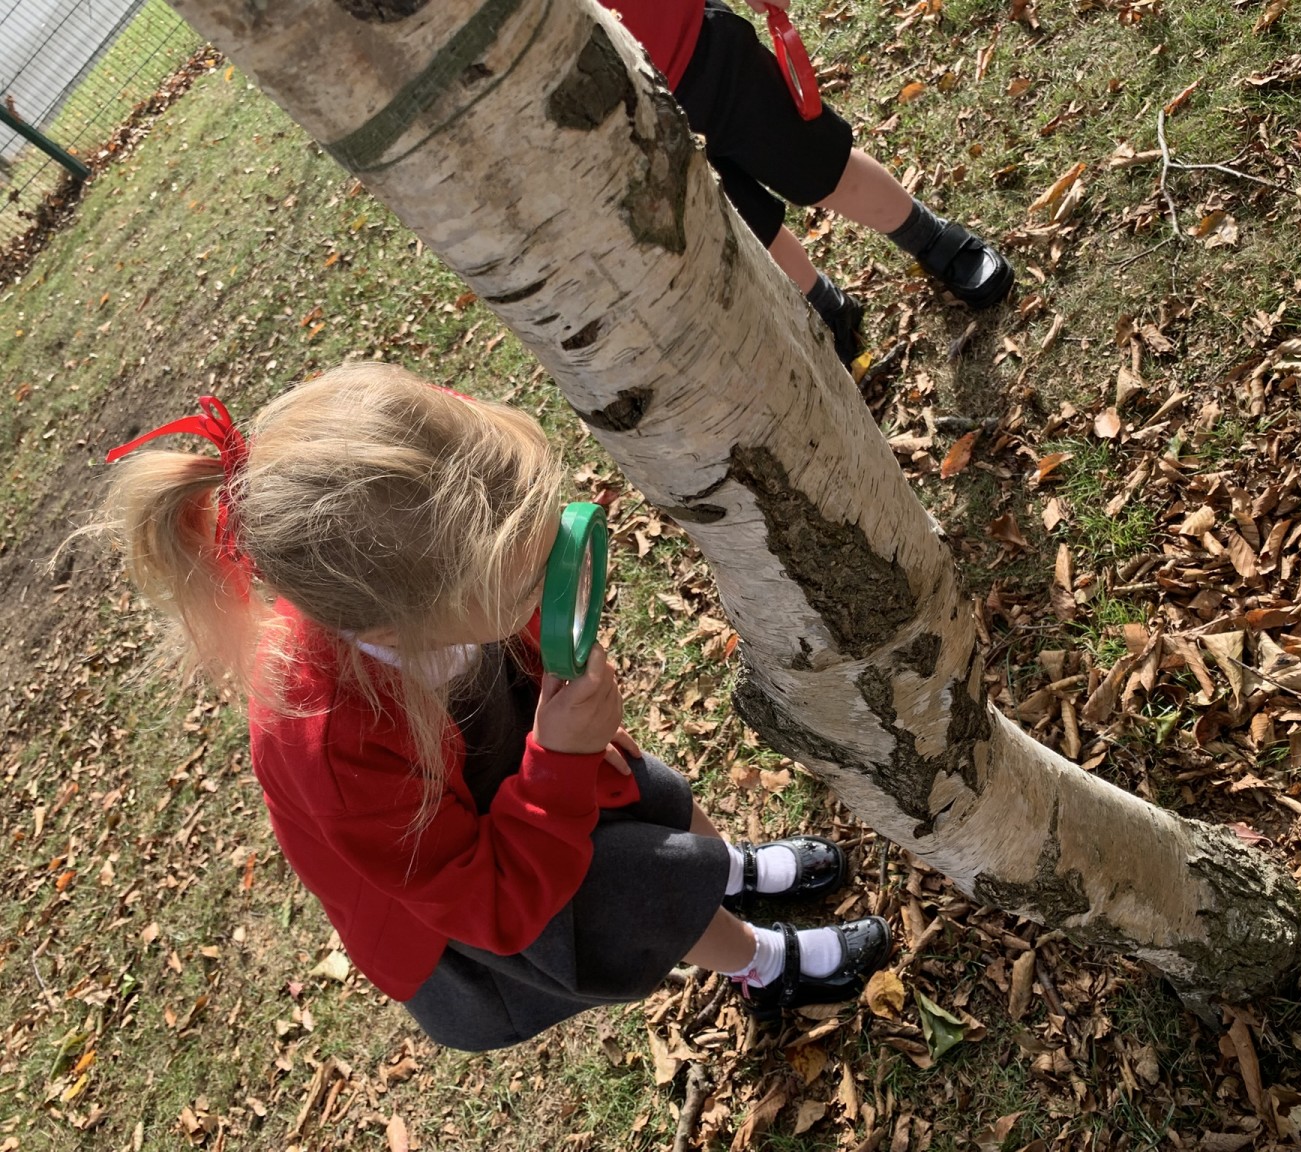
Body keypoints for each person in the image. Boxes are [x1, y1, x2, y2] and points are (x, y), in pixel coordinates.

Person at [96, 363, 891, 1050]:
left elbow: (505, 607)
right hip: (473, 894)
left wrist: (564, 712)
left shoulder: (433, 565)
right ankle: (760, 965)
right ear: (397, 625)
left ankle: (732, 873)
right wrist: (561, 762)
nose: (552, 582)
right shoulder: (330, 745)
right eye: (526, 587)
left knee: (654, 793)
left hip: (519, 761)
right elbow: (491, 902)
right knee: (644, 889)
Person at [612, 0, 1015, 366]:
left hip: (699, 49)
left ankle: (927, 235)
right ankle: (825, 307)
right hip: (615, 132)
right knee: (740, 226)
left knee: (818, 166)